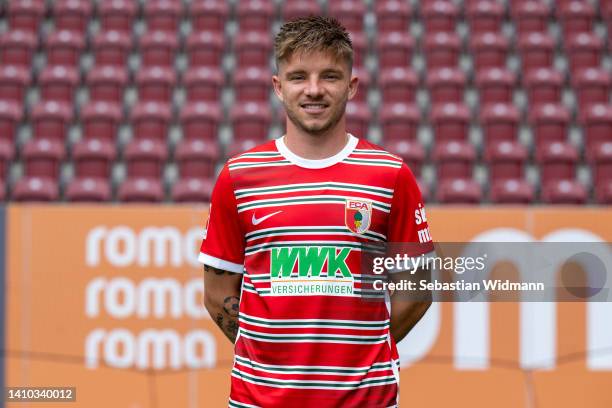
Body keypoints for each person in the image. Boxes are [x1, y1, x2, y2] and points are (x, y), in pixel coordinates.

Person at [199, 15, 434, 408]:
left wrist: (364, 356)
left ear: (352, 85)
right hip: (259, 401)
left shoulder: (390, 175)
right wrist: (269, 362)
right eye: (298, 77)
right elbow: (217, 294)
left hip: (366, 401)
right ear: (278, 87)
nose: (314, 90)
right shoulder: (239, 177)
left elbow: (417, 290)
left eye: (330, 76)